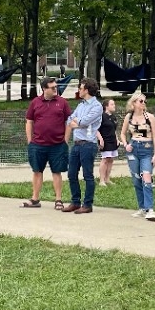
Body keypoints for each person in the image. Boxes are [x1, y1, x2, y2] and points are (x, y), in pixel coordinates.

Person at [23, 77, 72, 209]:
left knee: (57, 172)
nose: (55, 89)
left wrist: (65, 140)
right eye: (52, 87)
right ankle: (35, 199)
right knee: (37, 171)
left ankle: (58, 200)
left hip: (57, 145)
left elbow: (69, 121)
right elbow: (29, 121)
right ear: (44, 89)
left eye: (56, 86)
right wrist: (30, 140)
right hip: (38, 145)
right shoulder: (35, 102)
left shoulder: (62, 102)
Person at [61, 78, 103, 214]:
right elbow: (70, 119)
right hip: (77, 144)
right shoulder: (81, 105)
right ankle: (75, 201)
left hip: (88, 144)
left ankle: (87, 204)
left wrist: (77, 122)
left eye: (81, 88)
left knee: (87, 175)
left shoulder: (97, 106)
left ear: (87, 90)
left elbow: (85, 121)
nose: (79, 90)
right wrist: (76, 122)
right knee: (72, 174)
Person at [122, 90, 155, 221]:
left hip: (146, 149)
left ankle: (150, 209)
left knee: (146, 178)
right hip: (133, 149)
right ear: (134, 103)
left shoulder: (150, 118)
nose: (144, 103)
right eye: (141, 101)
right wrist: (126, 144)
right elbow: (122, 133)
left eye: (145, 101)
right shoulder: (129, 117)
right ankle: (142, 207)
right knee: (136, 179)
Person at [98, 98, 119, 186]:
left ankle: (107, 178)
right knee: (105, 159)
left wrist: (117, 139)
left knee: (111, 159)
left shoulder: (113, 117)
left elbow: (114, 129)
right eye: (112, 104)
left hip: (113, 140)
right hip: (105, 141)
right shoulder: (102, 116)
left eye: (114, 104)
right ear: (106, 106)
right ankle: (101, 180)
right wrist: (100, 139)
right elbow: (96, 129)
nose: (114, 106)